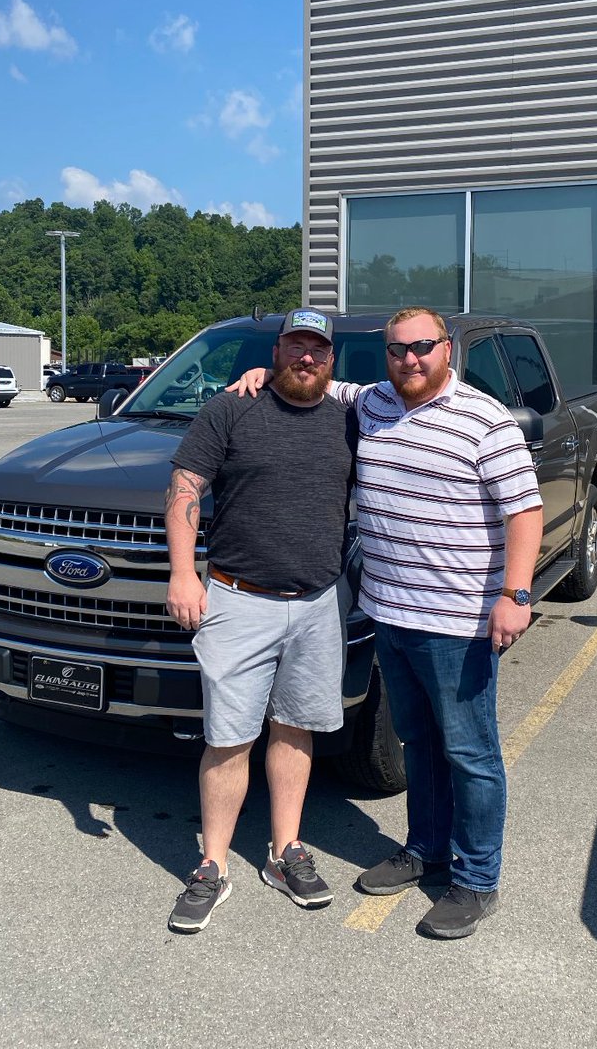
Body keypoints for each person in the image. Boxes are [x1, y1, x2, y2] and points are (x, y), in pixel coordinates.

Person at [233, 305, 543, 939]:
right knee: (419, 743)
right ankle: (425, 849)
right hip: (389, 612)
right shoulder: (373, 402)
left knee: (470, 753)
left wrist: (516, 594)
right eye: (398, 350)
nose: (410, 359)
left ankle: (476, 878)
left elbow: (524, 511)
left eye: (422, 347)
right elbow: (317, 380)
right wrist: (262, 374)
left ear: (447, 349)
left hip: (458, 620)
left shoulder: (485, 420)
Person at [164, 308, 357, 933]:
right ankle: (213, 865)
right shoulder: (231, 408)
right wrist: (183, 572)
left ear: (331, 359)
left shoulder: (351, 416)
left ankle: (285, 851)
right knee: (229, 736)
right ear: (276, 351)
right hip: (238, 599)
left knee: (297, 729)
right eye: (295, 346)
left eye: (317, 349)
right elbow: (185, 488)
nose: (306, 357)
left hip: (319, 602)